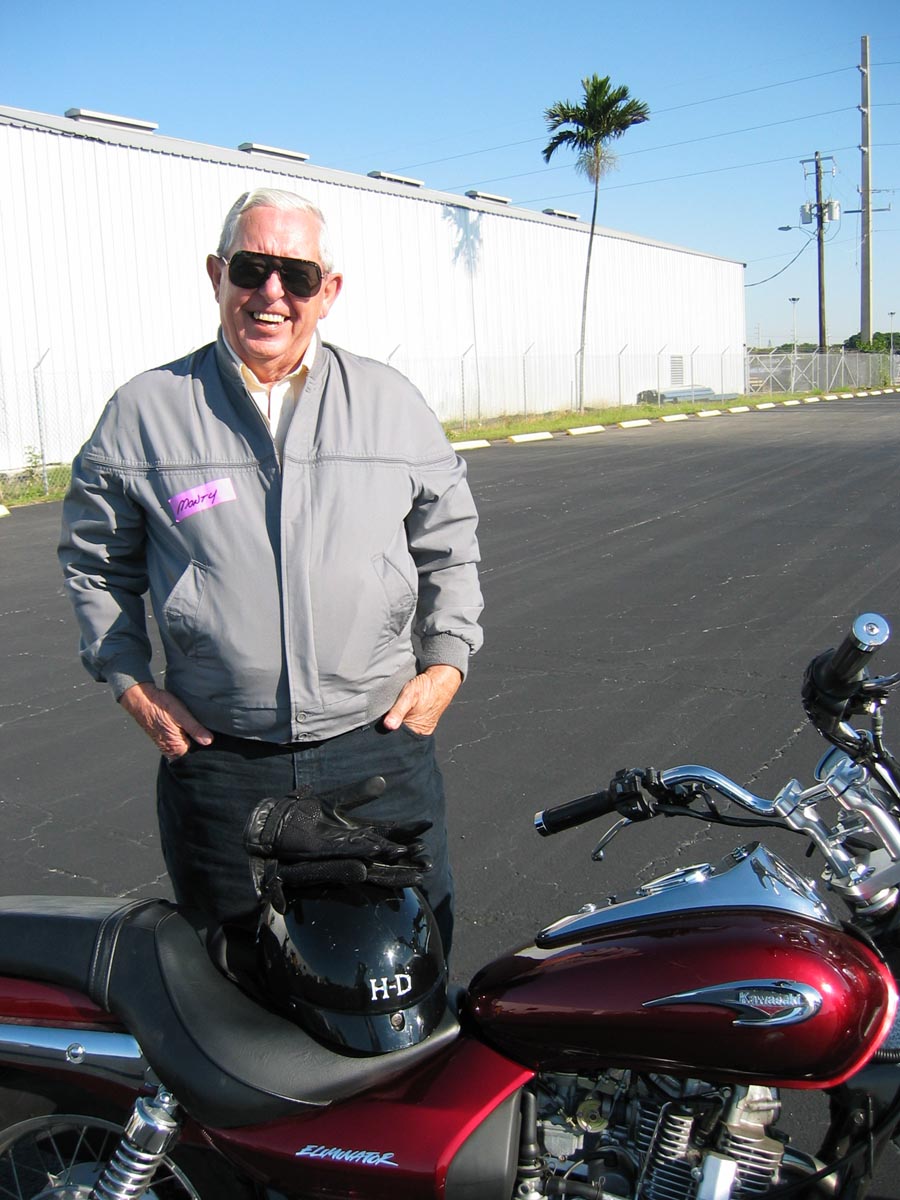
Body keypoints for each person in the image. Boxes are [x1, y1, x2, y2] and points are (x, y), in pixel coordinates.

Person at [58, 187, 483, 955]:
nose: (272, 293)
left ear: (330, 290)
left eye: (298, 275)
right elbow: (96, 563)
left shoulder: (390, 403)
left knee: (405, 964)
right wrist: (131, 682)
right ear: (217, 274)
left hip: (378, 745)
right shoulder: (144, 413)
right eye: (252, 269)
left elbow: (448, 537)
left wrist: (446, 663)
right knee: (228, 979)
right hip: (220, 760)